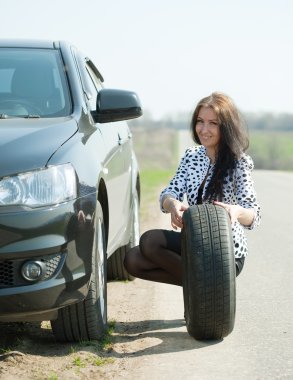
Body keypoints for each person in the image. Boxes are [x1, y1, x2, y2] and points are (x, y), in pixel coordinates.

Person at [124, 92, 261, 286]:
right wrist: (172, 204)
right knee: (134, 258)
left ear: (226, 127)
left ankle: (205, 287)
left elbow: (254, 215)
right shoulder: (191, 156)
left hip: (224, 250)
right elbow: (169, 191)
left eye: (213, 123)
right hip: (194, 241)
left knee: (149, 241)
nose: (204, 129)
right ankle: (206, 286)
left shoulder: (238, 162)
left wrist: (236, 211)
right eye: (200, 121)